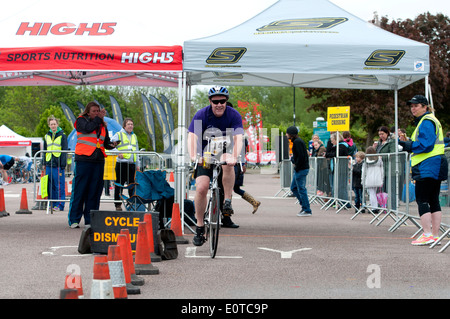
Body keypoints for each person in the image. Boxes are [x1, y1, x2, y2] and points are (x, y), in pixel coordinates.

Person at [188, 86, 244, 245]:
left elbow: (238, 138)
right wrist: (193, 156)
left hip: (224, 152)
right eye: (215, 101)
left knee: (228, 161)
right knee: (201, 188)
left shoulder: (233, 115)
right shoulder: (202, 114)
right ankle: (200, 226)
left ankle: (227, 201)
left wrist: (235, 156)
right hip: (205, 154)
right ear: (210, 101)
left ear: (226, 101)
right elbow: (192, 137)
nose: (219, 104)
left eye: (223, 101)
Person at [399, 95, 448, 246]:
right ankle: (434, 235)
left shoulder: (426, 121)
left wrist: (406, 145)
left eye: (416, 105)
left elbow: (426, 145)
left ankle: (428, 234)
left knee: (422, 199)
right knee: (433, 200)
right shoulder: (431, 120)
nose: (413, 108)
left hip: (428, 164)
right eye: (411, 106)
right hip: (435, 162)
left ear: (425, 106)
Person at [68, 102, 119, 228]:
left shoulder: (102, 125)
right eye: (94, 111)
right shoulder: (81, 121)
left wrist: (112, 145)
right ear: (88, 112)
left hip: (98, 161)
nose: (97, 113)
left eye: (98, 111)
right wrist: (99, 119)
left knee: (94, 192)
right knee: (80, 191)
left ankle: (90, 220)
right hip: (83, 160)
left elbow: (105, 142)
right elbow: (88, 128)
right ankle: (74, 219)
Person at [111, 118, 140, 211]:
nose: (131, 126)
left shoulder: (134, 136)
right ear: (124, 126)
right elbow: (110, 145)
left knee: (132, 186)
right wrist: (117, 153)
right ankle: (118, 205)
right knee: (119, 185)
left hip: (131, 164)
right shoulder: (119, 135)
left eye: (132, 124)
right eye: (128, 124)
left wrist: (137, 164)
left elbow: (137, 151)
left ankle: (131, 204)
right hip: (121, 164)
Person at [43, 116, 68, 211]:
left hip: (58, 164)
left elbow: (64, 150)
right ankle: (51, 203)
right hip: (49, 162)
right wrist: (44, 163)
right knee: (50, 184)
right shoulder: (46, 136)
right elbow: (44, 150)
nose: (53, 126)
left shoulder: (62, 135)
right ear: (49, 125)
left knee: (59, 185)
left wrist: (63, 164)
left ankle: (60, 205)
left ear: (57, 124)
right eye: (51, 124)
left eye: (54, 124)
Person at [286, 126, 311, 216]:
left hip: (301, 169)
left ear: (291, 134)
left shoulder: (297, 142)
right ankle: (304, 206)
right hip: (300, 168)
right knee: (294, 188)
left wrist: (295, 163)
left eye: (287, 133)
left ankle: (306, 209)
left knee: (301, 189)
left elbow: (301, 156)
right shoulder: (297, 141)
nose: (286, 134)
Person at [362, 146, 384, 212]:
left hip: (369, 177)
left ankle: (374, 207)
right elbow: (382, 169)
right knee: (374, 192)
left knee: (371, 193)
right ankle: (375, 206)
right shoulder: (379, 159)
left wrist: (362, 179)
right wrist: (382, 178)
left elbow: (364, 171)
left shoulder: (366, 160)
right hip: (377, 177)